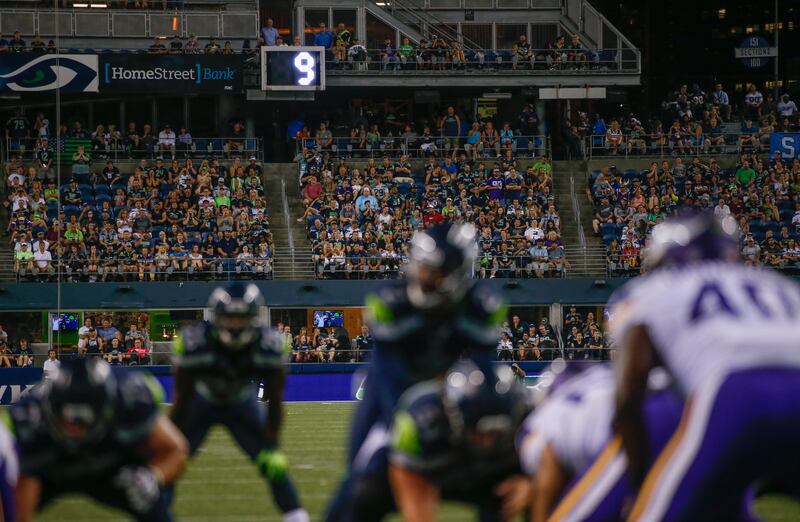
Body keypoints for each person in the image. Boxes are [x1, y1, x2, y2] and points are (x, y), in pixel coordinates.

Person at [611, 213, 800, 521]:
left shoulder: (651, 290)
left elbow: (628, 395)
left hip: (738, 393)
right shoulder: (777, 284)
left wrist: (637, 483)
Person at [326, 223, 505, 522]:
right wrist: (410, 423)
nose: (420, 275)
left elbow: (484, 374)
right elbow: (388, 377)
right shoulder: (391, 301)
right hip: (390, 394)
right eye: (420, 265)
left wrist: (473, 417)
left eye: (431, 269)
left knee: (499, 480)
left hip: (447, 395)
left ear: (456, 274)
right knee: (359, 479)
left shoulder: (480, 305)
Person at [169, 283, 310, 522]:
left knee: (274, 465)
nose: (235, 324)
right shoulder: (194, 343)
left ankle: (296, 516)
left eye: (241, 317)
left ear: (254, 318)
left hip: (241, 402)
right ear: (216, 317)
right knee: (168, 462)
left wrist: (272, 445)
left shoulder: (268, 345)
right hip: (201, 402)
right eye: (230, 317)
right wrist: (170, 440)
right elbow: (181, 399)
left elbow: (275, 402)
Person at [7, 358, 187, 522]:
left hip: (115, 468)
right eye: (67, 421)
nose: (74, 432)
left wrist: (154, 477)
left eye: (83, 422)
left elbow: (175, 449)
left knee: (146, 494)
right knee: (12, 512)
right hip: (52, 467)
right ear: (50, 409)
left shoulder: (130, 395)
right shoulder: (28, 417)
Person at [389, 361, 532, 521]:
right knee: (367, 492)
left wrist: (532, 484)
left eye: (494, 434)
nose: (486, 443)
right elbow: (407, 475)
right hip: (444, 471)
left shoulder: (529, 417)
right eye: (477, 433)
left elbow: (551, 466)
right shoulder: (424, 419)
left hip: (492, 476)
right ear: (452, 416)